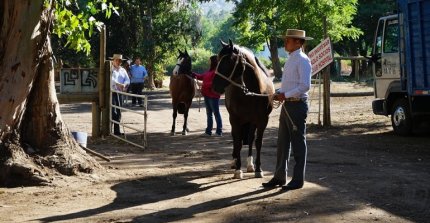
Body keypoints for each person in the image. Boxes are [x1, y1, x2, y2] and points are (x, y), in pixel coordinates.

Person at [262, 29, 312, 191]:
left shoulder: (303, 60)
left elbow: (305, 86)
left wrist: (285, 95)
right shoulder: (291, 59)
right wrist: (279, 92)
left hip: (297, 106)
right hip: (288, 105)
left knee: (298, 143)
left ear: (298, 42)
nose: (285, 43)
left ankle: (298, 180)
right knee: (282, 143)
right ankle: (279, 177)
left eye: (288, 40)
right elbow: (291, 84)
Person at [192, 55, 223, 136]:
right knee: (209, 114)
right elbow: (201, 77)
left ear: (213, 62)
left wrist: (202, 84)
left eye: (210, 61)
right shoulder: (209, 71)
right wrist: (193, 74)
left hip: (213, 96)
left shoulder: (216, 72)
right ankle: (208, 131)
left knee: (216, 113)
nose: (209, 62)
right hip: (207, 95)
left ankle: (219, 131)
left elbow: (213, 83)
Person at [111, 54, 130, 135]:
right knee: (113, 112)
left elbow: (127, 79)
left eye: (120, 61)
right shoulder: (111, 69)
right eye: (117, 60)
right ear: (113, 61)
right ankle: (109, 130)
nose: (118, 62)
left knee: (119, 112)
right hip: (112, 93)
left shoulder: (123, 70)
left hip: (120, 93)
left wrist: (125, 85)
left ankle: (116, 131)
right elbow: (111, 80)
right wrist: (119, 84)